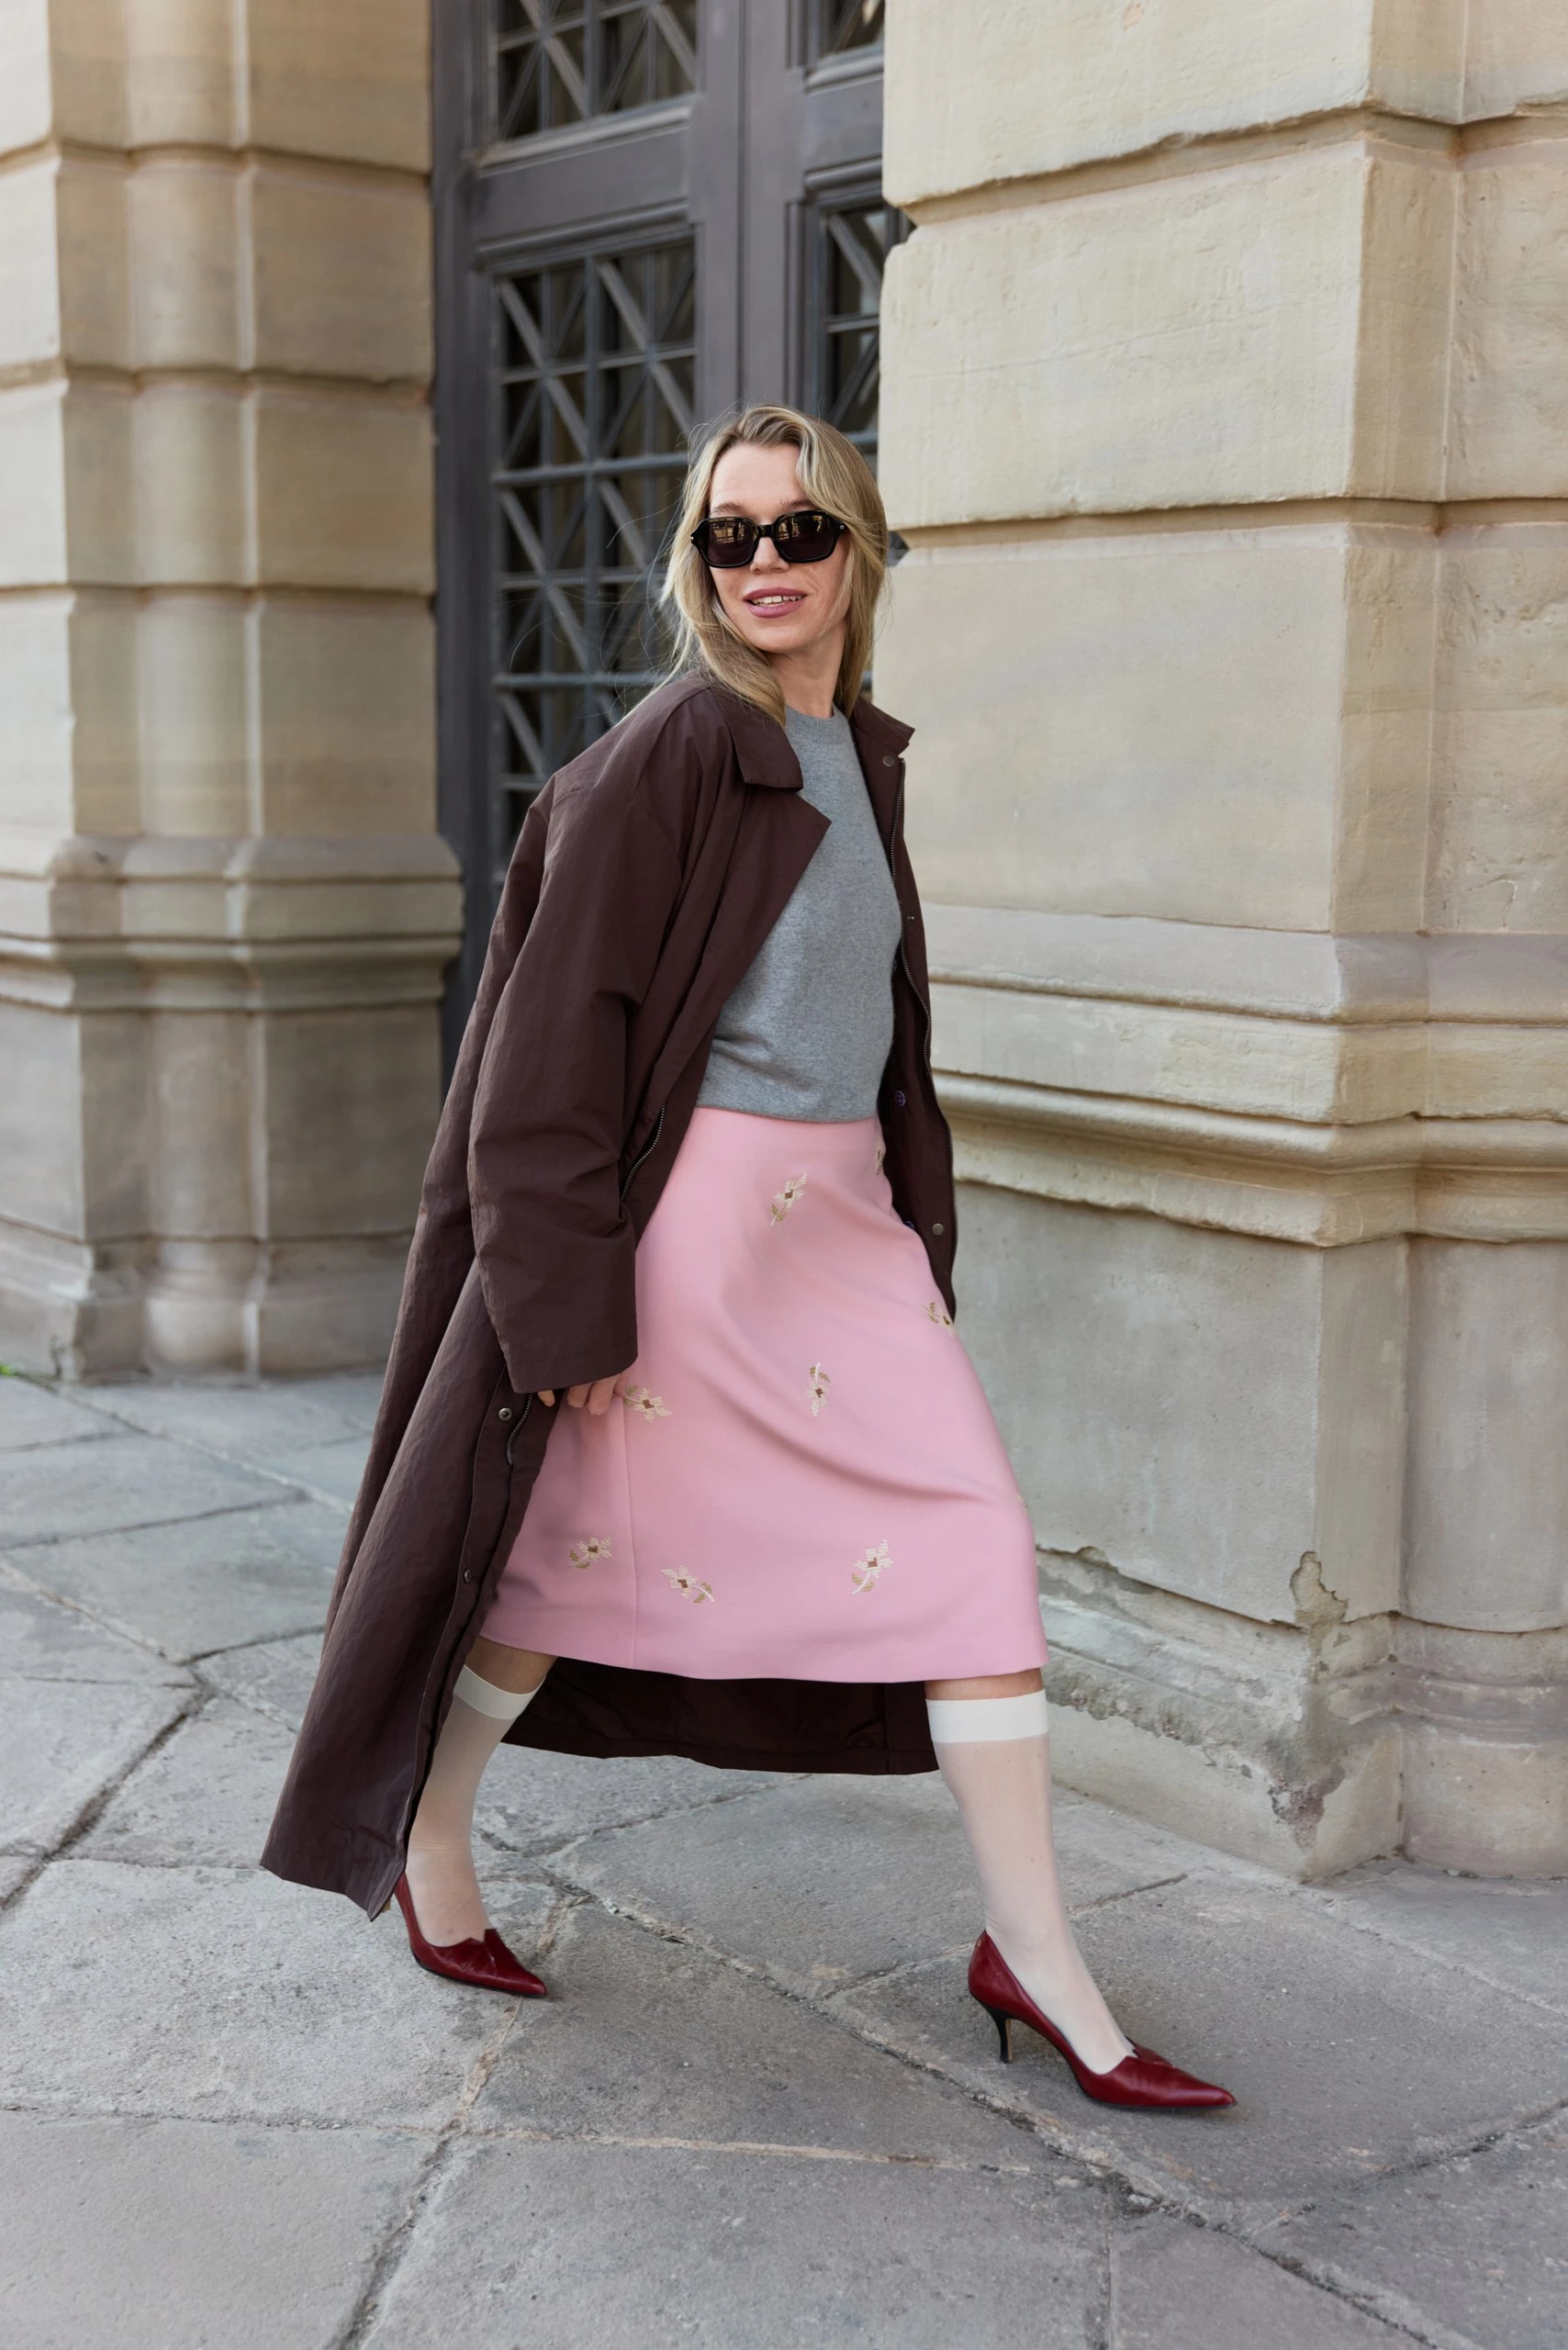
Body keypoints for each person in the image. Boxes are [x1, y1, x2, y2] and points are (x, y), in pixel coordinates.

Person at [263, 405, 1231, 2113]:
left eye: (799, 529)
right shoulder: (675, 752)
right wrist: (567, 1305)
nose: (763, 561)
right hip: (699, 1237)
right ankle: (429, 1834)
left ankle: (1030, 1952)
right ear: (696, 562)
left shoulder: (855, 746)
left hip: (843, 1235)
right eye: (729, 534)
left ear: (860, 546)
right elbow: (545, 1059)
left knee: (972, 1546)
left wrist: (910, 1214)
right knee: (562, 1564)